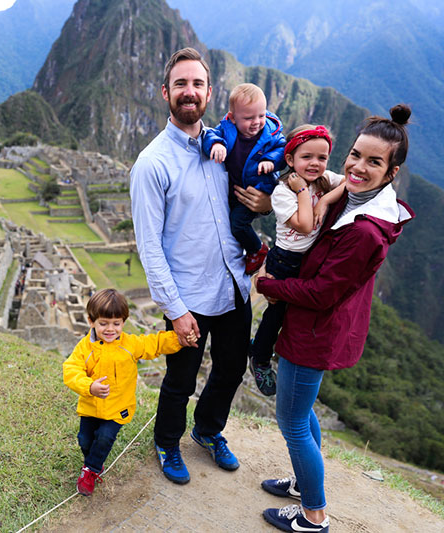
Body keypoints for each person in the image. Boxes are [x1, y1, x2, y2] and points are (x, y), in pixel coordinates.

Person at [256, 105, 415, 532]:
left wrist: (268, 286)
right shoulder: (353, 195)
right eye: (356, 154)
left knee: (290, 420)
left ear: (391, 172)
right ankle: (302, 486)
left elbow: (323, 293)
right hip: (312, 325)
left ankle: (313, 514)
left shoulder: (365, 230)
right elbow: (312, 187)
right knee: (302, 412)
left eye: (374, 161)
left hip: (315, 330)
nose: (359, 167)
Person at [130, 47, 271, 485]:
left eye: (197, 84)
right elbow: (149, 247)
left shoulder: (227, 146)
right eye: (180, 84)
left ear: (210, 92)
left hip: (232, 285)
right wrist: (175, 310)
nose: (189, 92)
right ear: (165, 93)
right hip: (188, 295)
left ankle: (208, 430)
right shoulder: (153, 164)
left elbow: (257, 190)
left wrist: (265, 204)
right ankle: (168, 443)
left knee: (230, 369)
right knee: (181, 379)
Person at [248, 125, 345, 396]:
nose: (315, 164)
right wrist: (304, 191)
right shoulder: (283, 191)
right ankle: (260, 356)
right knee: (277, 313)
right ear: (290, 160)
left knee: (298, 315)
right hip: (285, 261)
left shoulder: (324, 180)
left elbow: (352, 181)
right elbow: (303, 225)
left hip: (310, 260)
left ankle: (268, 350)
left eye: (322, 158)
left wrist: (324, 200)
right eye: (307, 157)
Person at [63, 288, 183, 496]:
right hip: (91, 406)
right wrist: (89, 386)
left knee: (104, 437)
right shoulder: (85, 347)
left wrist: (179, 338)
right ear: (92, 321)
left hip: (118, 408)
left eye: (116, 324)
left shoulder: (130, 344)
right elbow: (71, 370)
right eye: (103, 323)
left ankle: (90, 470)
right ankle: (93, 462)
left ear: (123, 322)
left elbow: (153, 343)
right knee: (84, 439)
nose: (110, 329)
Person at [202, 83, 287, 274]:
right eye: (248, 118)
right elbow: (210, 135)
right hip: (234, 189)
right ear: (232, 118)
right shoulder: (227, 129)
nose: (256, 122)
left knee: (238, 223)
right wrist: (216, 144)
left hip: (258, 189)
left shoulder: (271, 134)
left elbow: (283, 150)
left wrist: (270, 161)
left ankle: (257, 249)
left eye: (261, 115)